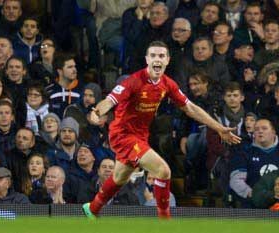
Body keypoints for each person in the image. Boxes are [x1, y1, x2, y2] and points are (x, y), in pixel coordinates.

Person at [82, 41, 241, 219]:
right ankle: (164, 221)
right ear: (147, 59)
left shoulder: (167, 84)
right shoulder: (133, 81)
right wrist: (97, 112)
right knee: (163, 170)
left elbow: (190, 108)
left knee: (119, 177)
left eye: (161, 56)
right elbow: (110, 101)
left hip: (141, 136)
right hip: (123, 135)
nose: (157, 59)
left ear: (167, 60)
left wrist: (219, 128)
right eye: (153, 56)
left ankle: (93, 208)